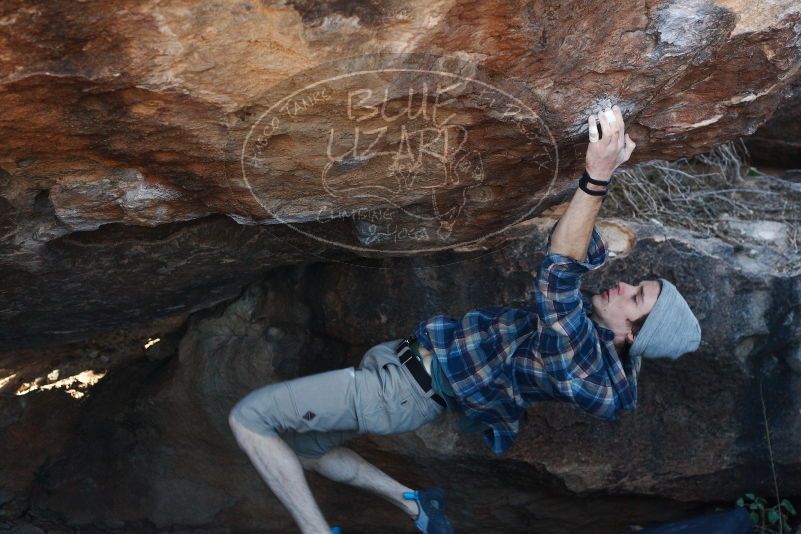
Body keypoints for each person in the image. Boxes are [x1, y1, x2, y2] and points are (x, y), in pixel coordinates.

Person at [228, 106, 702, 534]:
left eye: (636, 297)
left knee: (250, 418)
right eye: (638, 284)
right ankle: (414, 503)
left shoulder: (583, 363)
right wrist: (609, 166)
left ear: (630, 334)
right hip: (402, 370)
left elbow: (559, 271)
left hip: (400, 392)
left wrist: (596, 177)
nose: (624, 285)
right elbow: (575, 246)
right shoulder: (598, 336)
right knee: (309, 451)